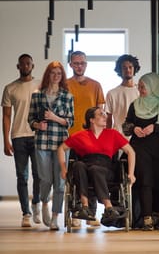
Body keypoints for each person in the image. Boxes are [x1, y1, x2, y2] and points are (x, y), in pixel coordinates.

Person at [57, 106, 136, 223]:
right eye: (101, 114)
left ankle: (108, 207)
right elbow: (61, 149)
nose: (105, 117)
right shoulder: (81, 135)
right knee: (78, 165)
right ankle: (85, 207)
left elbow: (131, 152)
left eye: (105, 114)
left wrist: (131, 173)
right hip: (85, 167)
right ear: (91, 120)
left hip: (106, 170)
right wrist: (63, 169)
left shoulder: (113, 134)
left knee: (95, 169)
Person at [122, 72, 159, 231]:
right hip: (139, 147)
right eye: (139, 86)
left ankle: (156, 214)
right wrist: (134, 128)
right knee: (144, 180)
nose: (139, 89)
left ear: (153, 86)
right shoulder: (135, 104)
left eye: (143, 86)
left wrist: (155, 127)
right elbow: (126, 126)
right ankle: (146, 218)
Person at [28, 61, 74, 231]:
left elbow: (70, 122)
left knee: (60, 183)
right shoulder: (37, 96)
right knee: (45, 179)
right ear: (48, 75)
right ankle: (44, 202)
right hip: (41, 143)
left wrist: (54, 117)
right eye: (53, 73)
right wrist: (37, 125)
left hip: (61, 144)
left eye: (59, 73)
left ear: (62, 77)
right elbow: (30, 119)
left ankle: (55, 217)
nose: (56, 76)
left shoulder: (67, 96)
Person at [1, 54, 41, 228]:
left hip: (38, 136)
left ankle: (36, 204)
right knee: (22, 176)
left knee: (39, 175)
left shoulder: (41, 86)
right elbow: (6, 116)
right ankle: (26, 213)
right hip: (18, 137)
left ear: (33, 65)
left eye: (28, 63)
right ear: (18, 67)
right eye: (22, 64)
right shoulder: (10, 88)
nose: (25, 66)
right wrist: (6, 140)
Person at [67, 51, 105, 227]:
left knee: (93, 172)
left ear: (86, 64)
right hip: (72, 138)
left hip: (91, 139)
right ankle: (76, 213)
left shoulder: (96, 85)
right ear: (70, 65)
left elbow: (100, 113)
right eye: (76, 63)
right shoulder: (65, 85)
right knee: (74, 176)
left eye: (82, 63)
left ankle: (91, 213)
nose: (79, 66)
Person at [105, 54, 140, 135]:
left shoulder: (141, 91)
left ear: (134, 69)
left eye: (130, 67)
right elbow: (108, 119)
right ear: (120, 70)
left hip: (138, 138)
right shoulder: (111, 93)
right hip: (118, 138)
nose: (128, 70)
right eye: (124, 67)